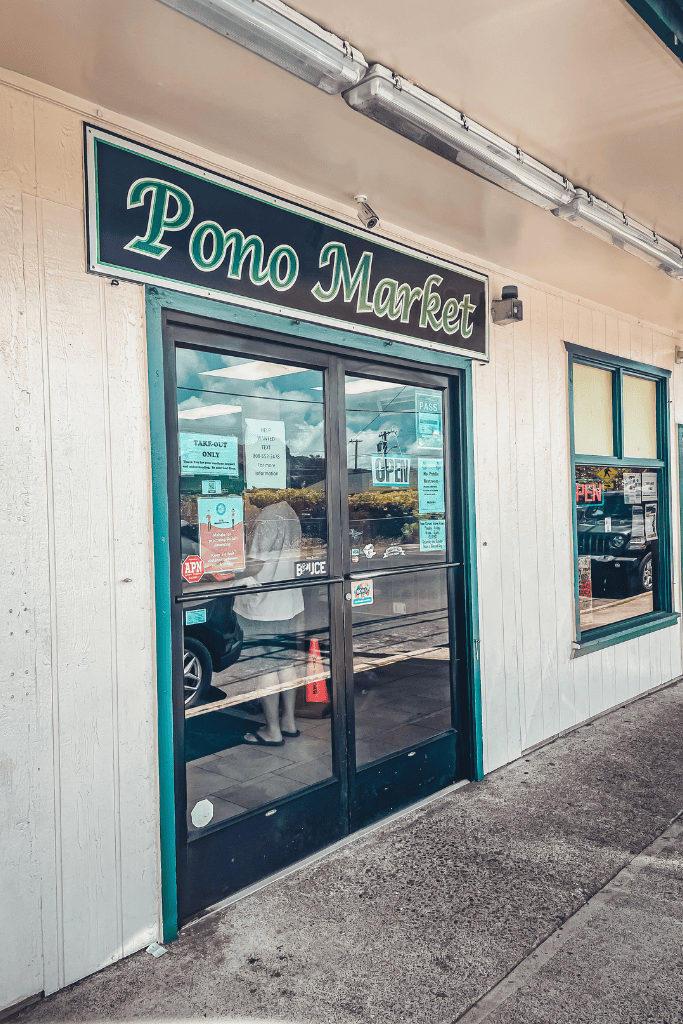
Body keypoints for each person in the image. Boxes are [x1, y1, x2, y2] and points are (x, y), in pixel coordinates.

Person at [233, 501, 304, 746]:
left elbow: (256, 564)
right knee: (285, 663)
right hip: (289, 601)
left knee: (265, 668)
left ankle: (272, 731)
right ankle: (289, 722)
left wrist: (226, 568)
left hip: (264, 606)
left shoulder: (267, 516)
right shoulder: (289, 511)